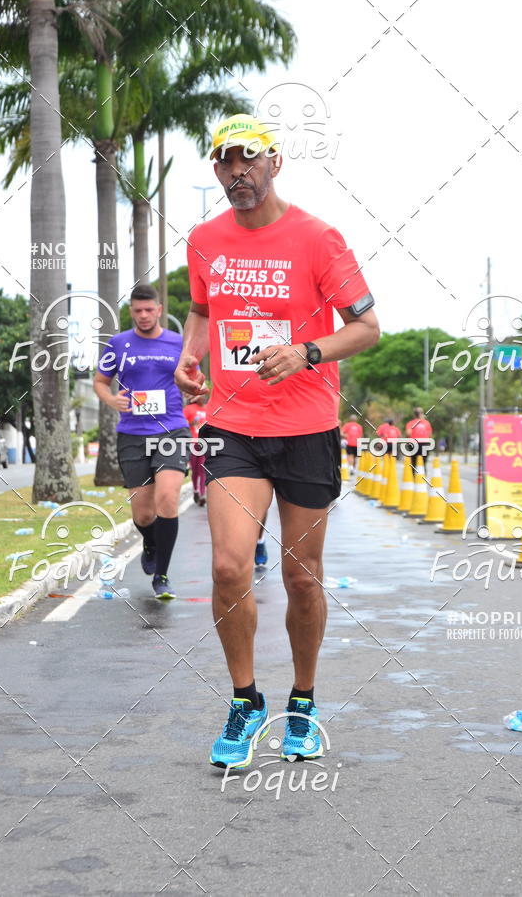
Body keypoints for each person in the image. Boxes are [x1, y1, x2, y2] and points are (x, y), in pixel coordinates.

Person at [174, 113, 380, 768]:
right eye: (225, 161)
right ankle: (244, 701)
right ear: (216, 170)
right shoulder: (205, 239)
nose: (237, 171)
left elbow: (367, 327)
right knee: (228, 567)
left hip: (306, 429)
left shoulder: (318, 238)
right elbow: (202, 308)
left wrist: (307, 352)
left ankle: (303, 701)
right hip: (232, 425)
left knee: (301, 577)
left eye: (249, 158)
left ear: (274, 162)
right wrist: (190, 354)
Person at [93, 284, 188, 600]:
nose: (144, 315)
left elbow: (191, 376)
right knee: (144, 516)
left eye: (149, 310)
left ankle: (162, 575)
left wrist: (195, 385)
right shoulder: (118, 344)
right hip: (132, 434)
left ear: (159, 310)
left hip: (171, 430)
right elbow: (100, 381)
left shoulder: (178, 342)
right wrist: (111, 400)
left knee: (168, 499)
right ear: (131, 312)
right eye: (138, 311)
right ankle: (149, 541)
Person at [183, 395, 208, 506]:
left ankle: (202, 494)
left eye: (203, 395)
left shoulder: (208, 409)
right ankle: (196, 490)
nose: (201, 397)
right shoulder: (189, 409)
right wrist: (191, 423)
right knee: (195, 470)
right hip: (192, 442)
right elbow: (182, 425)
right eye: (199, 396)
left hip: (204, 443)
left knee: (202, 469)